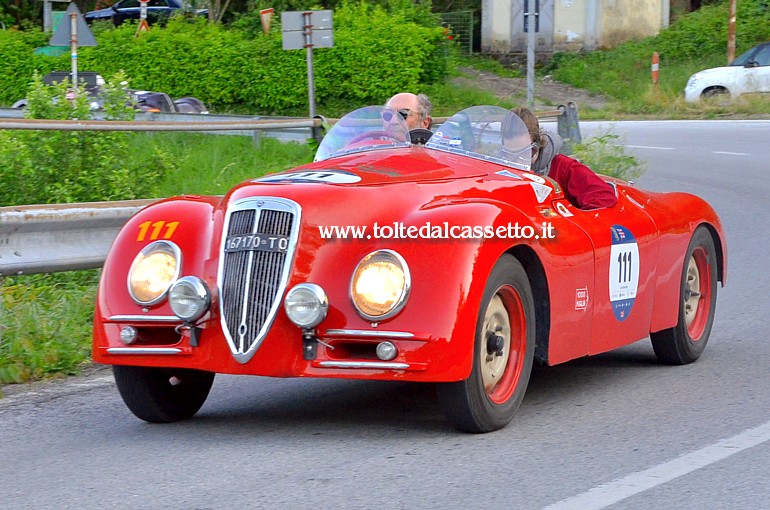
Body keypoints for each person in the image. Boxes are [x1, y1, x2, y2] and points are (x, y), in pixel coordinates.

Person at [503, 106, 618, 210]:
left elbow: (604, 198)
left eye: (526, 153)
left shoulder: (563, 167)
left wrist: (565, 224)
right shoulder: (499, 169)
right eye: (510, 154)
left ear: (539, 144)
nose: (517, 161)